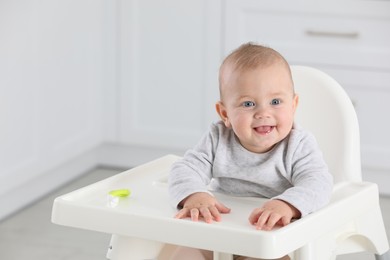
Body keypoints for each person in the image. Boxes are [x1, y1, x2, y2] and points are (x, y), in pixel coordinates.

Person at [166, 43, 333, 260]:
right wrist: (194, 194)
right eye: (248, 104)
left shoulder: (298, 145)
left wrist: (287, 204)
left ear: (293, 105)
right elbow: (185, 168)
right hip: (221, 229)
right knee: (185, 253)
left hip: (268, 234)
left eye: (275, 101)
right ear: (224, 113)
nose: (263, 112)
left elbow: (318, 183)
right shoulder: (218, 138)